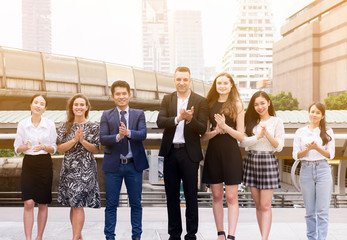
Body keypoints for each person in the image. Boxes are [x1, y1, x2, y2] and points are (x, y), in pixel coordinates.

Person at [156, 66, 208, 240]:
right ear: (174, 80)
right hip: (170, 153)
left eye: (185, 79)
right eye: (178, 79)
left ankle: (191, 234)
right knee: (171, 196)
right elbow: (160, 121)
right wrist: (178, 119)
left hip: (189, 153)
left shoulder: (200, 101)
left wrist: (190, 119)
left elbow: (202, 128)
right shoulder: (167, 99)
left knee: (191, 196)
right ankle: (174, 234)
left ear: (190, 80)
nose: (182, 82)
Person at [100, 80, 148, 240]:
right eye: (118, 94)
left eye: (124, 94)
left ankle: (136, 237)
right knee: (111, 205)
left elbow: (142, 134)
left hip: (134, 166)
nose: (121, 97)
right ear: (112, 96)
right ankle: (109, 237)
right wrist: (117, 136)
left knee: (136, 204)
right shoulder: (106, 115)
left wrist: (128, 133)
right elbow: (103, 139)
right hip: (113, 167)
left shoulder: (138, 114)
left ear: (129, 95)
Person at [201, 73, 244, 240]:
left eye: (226, 83)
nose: (222, 86)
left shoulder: (238, 104)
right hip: (214, 152)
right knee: (217, 195)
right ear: (215, 85)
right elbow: (204, 136)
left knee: (232, 196)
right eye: (219, 83)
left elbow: (241, 135)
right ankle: (220, 233)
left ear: (231, 85)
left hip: (231, 152)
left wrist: (225, 127)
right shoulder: (208, 104)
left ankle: (232, 235)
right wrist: (215, 131)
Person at [240, 91, 284, 240]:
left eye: (262, 103)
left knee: (265, 205)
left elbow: (279, 146)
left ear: (268, 103)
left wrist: (266, 134)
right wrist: (257, 136)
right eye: (256, 104)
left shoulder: (277, 122)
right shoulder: (249, 121)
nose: (260, 107)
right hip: (251, 160)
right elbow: (242, 142)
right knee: (258, 205)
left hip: (268, 161)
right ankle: (262, 235)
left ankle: (264, 238)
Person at [57, 93, 101, 240]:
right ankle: (78, 235)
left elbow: (96, 149)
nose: (79, 107)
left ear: (86, 107)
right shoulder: (64, 126)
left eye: (82, 104)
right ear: (72, 107)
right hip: (69, 169)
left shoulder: (94, 126)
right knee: (73, 203)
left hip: (86, 169)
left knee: (78, 203)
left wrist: (82, 141)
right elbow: (60, 148)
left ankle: (75, 237)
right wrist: (75, 139)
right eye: (76, 104)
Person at [14, 94, 57, 240]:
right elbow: (16, 148)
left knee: (43, 203)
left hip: (44, 163)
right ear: (31, 105)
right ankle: (28, 238)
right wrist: (24, 147)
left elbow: (54, 148)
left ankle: (39, 237)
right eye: (36, 102)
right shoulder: (22, 124)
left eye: (42, 104)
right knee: (28, 202)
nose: (38, 105)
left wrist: (44, 146)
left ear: (45, 108)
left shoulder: (50, 124)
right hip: (29, 163)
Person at [292, 102, 335, 240]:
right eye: (312, 111)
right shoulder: (300, 132)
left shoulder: (328, 131)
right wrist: (308, 150)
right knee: (309, 212)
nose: (314, 115)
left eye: (317, 112)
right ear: (308, 113)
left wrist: (317, 148)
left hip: (323, 170)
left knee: (322, 211)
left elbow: (331, 154)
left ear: (322, 116)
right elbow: (296, 155)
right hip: (306, 170)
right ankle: (311, 238)